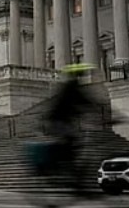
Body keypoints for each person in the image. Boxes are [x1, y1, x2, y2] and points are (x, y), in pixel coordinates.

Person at [43, 63, 97, 198]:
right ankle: (67, 172)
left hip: (61, 121)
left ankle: (69, 170)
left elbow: (85, 103)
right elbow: (87, 102)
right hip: (56, 122)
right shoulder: (72, 87)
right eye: (81, 75)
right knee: (72, 141)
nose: (82, 77)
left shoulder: (71, 87)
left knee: (74, 142)